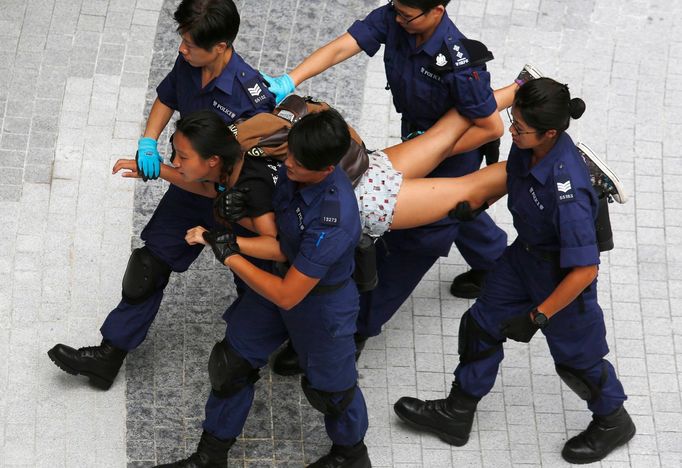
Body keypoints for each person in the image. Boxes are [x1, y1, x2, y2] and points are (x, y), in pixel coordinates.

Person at [263, 0, 523, 373]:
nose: (397, 19)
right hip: (418, 139)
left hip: (452, 155)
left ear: (437, 10)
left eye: (407, 15)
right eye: (396, 10)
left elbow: (489, 128)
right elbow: (343, 46)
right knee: (455, 215)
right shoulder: (396, 17)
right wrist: (292, 79)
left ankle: (356, 328)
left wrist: (431, 143)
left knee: (413, 241)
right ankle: (494, 261)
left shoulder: (458, 62)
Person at [392, 77, 635, 465]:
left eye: (519, 127)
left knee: (577, 361)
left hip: (561, 279)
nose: (511, 129)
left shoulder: (567, 191)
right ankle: (457, 413)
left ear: (550, 133)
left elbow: (584, 270)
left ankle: (613, 420)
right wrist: (478, 202)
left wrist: (537, 316)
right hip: (523, 259)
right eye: (513, 120)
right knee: (481, 325)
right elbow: (513, 178)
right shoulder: (530, 146)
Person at [46, 0, 275, 390]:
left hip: (238, 201)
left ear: (220, 46)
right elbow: (169, 97)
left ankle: (278, 351)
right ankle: (109, 355)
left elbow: (225, 182)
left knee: (253, 282)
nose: (182, 49)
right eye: (181, 39)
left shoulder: (250, 101)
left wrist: (163, 172)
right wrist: (148, 141)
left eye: (190, 43)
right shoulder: (189, 61)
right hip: (190, 186)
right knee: (148, 266)